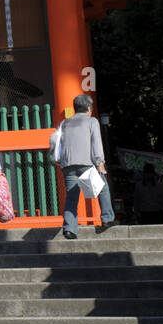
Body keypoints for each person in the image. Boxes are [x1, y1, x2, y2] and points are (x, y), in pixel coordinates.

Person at [56, 94, 115, 238]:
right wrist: (99, 161)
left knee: (71, 197)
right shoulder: (92, 121)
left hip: (68, 165)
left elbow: (57, 144)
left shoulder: (64, 123)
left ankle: (69, 228)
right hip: (86, 163)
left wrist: (60, 161)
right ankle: (107, 219)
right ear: (89, 108)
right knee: (102, 188)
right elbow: (96, 142)